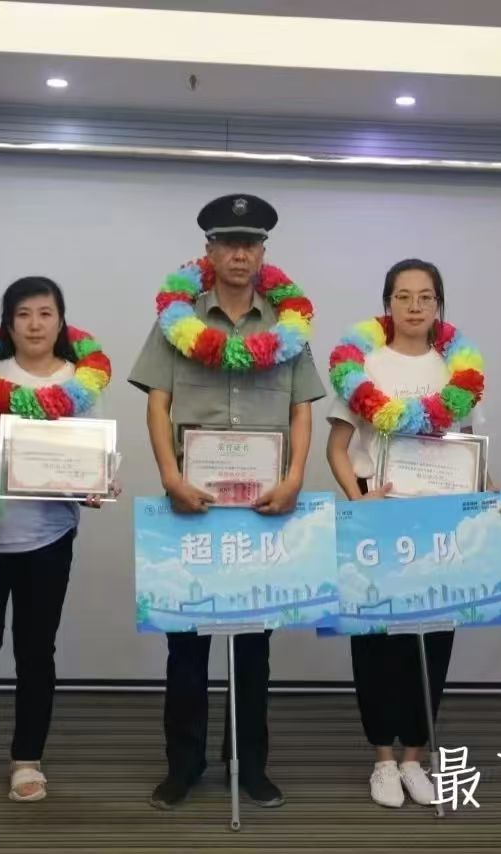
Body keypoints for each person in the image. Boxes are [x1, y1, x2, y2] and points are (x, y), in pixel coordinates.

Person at [129, 193, 325, 810]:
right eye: (228, 243)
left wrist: (295, 478)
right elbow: (157, 403)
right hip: (191, 504)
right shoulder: (176, 320)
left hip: (264, 507)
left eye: (251, 243)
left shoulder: (288, 325)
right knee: (186, 647)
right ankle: (182, 766)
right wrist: (169, 476)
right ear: (209, 252)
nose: (240, 253)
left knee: (253, 648)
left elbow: (301, 409)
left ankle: (250, 764)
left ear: (263, 253)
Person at [326, 258, 501, 808]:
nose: (414, 307)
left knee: (433, 639)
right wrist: (358, 501)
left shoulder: (457, 368)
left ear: (438, 305)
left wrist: (489, 497)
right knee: (376, 640)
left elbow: (468, 451)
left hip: (440, 519)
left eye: (425, 297)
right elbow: (338, 448)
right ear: (388, 304)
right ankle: (383, 760)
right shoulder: (363, 363)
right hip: (378, 513)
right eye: (403, 296)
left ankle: (415, 758)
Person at [0, 276, 114, 804]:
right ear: (8, 325)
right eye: (24, 314)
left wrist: (97, 485)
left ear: (61, 322)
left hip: (48, 538)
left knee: (36, 652)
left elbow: (89, 459)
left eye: (45, 313)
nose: (35, 324)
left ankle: (27, 759)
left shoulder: (80, 382)